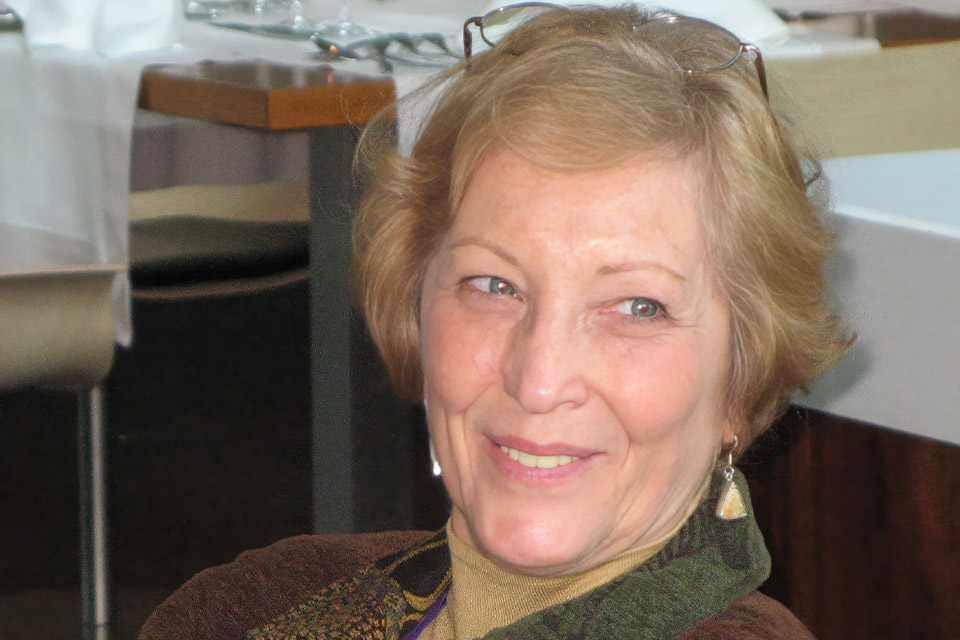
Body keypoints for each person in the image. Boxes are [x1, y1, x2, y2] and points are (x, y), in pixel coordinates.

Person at [244, 3, 850, 638]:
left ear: (741, 379)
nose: (538, 379)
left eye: (638, 307)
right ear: (413, 307)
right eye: (494, 285)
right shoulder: (255, 604)